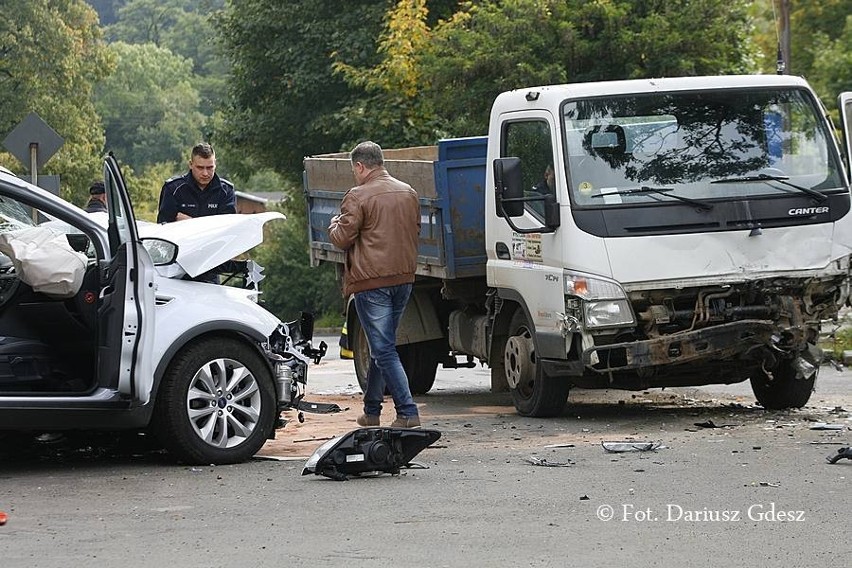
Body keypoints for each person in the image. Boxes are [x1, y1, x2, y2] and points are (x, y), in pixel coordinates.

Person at [328, 141, 422, 428]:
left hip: (372, 282)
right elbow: (416, 229)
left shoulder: (357, 196)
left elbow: (342, 238)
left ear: (360, 166)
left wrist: (334, 223)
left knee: (383, 350)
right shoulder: (409, 192)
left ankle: (408, 412)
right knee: (383, 346)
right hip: (403, 278)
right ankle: (371, 411)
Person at [156, 142, 236, 223]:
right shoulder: (173, 189)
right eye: (200, 168)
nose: (205, 173)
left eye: (209, 168)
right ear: (191, 164)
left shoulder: (226, 191)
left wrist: (190, 222)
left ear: (215, 164)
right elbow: (163, 227)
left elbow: (226, 228)